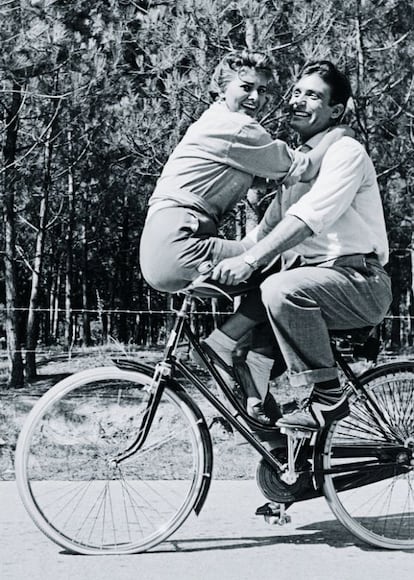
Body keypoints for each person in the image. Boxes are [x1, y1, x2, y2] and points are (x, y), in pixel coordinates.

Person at [206, 60, 392, 432]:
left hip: (359, 282)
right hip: (312, 286)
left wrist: (250, 261)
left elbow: (310, 218)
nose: (298, 101)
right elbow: (260, 236)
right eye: (296, 92)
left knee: (278, 287)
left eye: (313, 96)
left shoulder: (346, 152)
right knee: (257, 340)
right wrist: (203, 259)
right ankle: (286, 461)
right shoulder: (299, 167)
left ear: (335, 111)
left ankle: (329, 398)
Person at [139, 51, 351, 295]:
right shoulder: (237, 126)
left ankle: (227, 336)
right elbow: (307, 167)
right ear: (221, 88)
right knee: (298, 265)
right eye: (246, 87)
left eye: (262, 91)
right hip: (182, 241)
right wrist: (338, 133)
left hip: (161, 246)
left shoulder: (212, 120)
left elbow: (261, 180)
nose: (254, 98)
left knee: (263, 280)